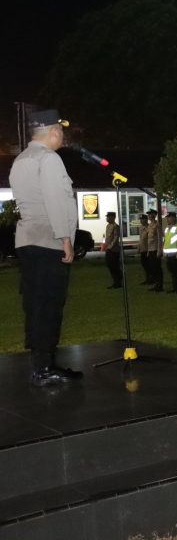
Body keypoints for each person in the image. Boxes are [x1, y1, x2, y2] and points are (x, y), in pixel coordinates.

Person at [10, 109, 83, 386]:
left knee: (35, 303)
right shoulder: (49, 158)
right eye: (61, 131)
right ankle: (44, 368)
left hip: (28, 240)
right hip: (48, 240)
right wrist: (65, 239)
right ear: (53, 131)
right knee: (49, 303)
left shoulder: (21, 159)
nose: (62, 136)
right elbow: (56, 200)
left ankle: (40, 363)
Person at [161, 212, 177, 293]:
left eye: (169, 217)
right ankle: (175, 287)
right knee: (172, 272)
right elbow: (165, 240)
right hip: (168, 254)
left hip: (175, 254)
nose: (167, 219)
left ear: (173, 218)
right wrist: (164, 251)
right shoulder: (167, 228)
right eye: (167, 217)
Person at [103, 211, 122, 289]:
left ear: (113, 217)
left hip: (114, 250)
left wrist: (110, 246)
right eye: (107, 217)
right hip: (108, 249)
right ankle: (115, 281)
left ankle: (118, 282)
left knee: (115, 266)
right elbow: (107, 238)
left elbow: (116, 238)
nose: (107, 218)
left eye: (108, 217)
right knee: (110, 265)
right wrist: (105, 246)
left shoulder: (116, 226)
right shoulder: (108, 226)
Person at [146, 209, 164, 292]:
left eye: (151, 214)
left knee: (157, 268)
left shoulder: (157, 225)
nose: (149, 216)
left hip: (156, 249)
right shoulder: (149, 225)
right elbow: (149, 239)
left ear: (154, 215)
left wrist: (159, 250)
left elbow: (160, 238)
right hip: (151, 249)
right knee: (153, 268)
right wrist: (148, 251)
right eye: (148, 214)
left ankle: (159, 285)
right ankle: (155, 284)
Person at [137, 213, 152, 285]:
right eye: (140, 219)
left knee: (149, 265)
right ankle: (147, 278)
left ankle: (151, 278)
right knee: (144, 265)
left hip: (147, 249)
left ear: (146, 220)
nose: (141, 221)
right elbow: (141, 238)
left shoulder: (149, 227)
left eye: (142, 219)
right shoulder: (141, 228)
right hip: (143, 249)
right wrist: (139, 247)